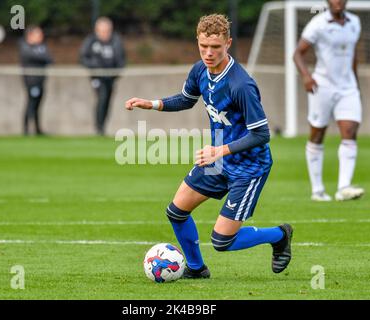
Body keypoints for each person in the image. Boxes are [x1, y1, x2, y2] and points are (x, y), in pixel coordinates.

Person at [125, 14, 293, 278]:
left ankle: (279, 235)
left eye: (215, 47)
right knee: (176, 211)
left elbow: (261, 134)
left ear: (228, 43)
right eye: (203, 46)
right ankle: (196, 268)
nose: (208, 53)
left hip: (248, 166)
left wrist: (219, 151)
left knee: (222, 241)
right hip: (217, 158)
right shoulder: (200, 70)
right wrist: (153, 104)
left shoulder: (241, 84)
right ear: (198, 41)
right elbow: (186, 99)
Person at [293, 0, 365, 201]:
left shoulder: (355, 22)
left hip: (348, 88)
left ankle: (344, 187)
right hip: (322, 86)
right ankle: (317, 190)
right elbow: (298, 53)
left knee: (349, 131)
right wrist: (306, 76)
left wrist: (356, 85)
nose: (338, 1)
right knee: (317, 134)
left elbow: (352, 55)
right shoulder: (318, 24)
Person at [80, 17, 126, 135]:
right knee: (102, 98)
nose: (105, 33)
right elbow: (83, 58)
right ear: (97, 30)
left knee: (107, 102)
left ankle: (102, 126)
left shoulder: (116, 41)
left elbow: (121, 59)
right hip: (97, 77)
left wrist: (116, 72)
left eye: (107, 30)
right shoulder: (91, 41)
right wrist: (95, 68)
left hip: (110, 78)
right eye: (102, 30)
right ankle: (98, 127)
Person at [19, 26, 53, 136]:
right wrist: (41, 57)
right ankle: (26, 130)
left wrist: (41, 56)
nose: (41, 37)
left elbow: (49, 59)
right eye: (38, 34)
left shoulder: (42, 47)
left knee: (38, 105)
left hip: (41, 80)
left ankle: (38, 129)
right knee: (31, 103)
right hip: (31, 81)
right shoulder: (25, 46)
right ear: (30, 36)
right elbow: (33, 57)